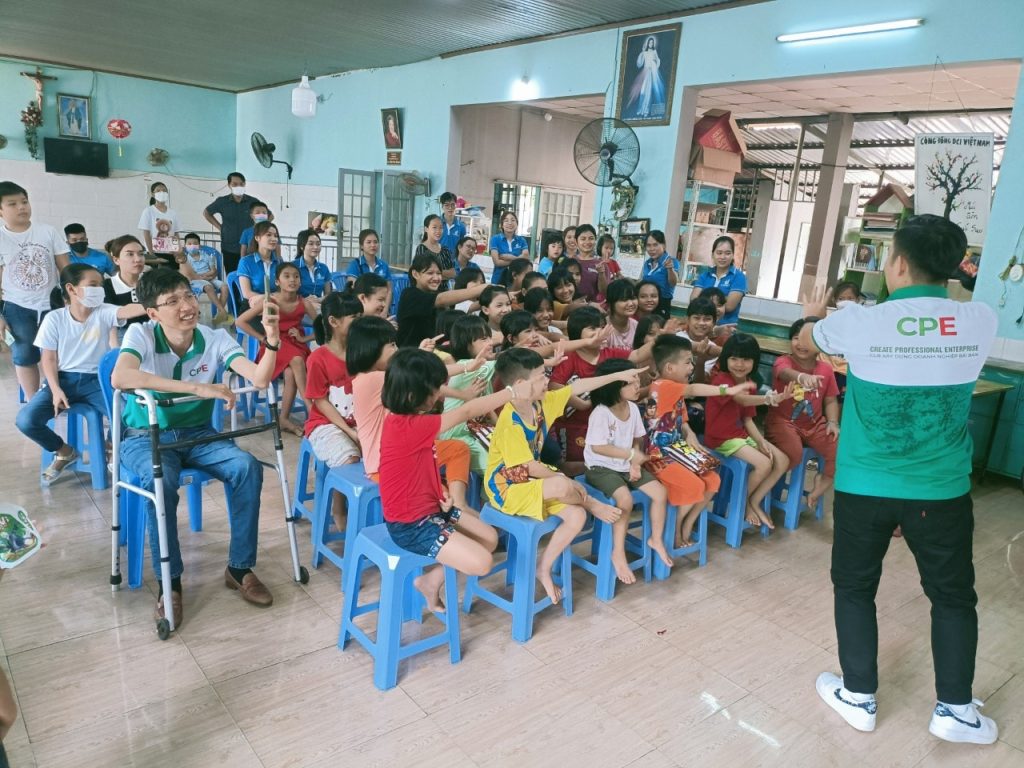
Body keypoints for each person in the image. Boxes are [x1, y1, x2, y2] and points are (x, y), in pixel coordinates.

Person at [799, 214, 999, 743]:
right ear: (954, 266)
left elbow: (808, 337)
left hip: (864, 487)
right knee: (953, 597)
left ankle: (859, 696)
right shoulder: (980, 319)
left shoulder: (860, 321)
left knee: (855, 587)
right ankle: (955, 710)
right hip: (942, 490)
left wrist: (817, 313)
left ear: (900, 264)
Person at [111, 268, 283, 625]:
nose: (187, 306)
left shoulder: (214, 337)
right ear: (153, 312)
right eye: (173, 301)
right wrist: (198, 388)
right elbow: (121, 376)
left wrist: (271, 341)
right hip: (145, 437)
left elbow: (259, 378)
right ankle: (170, 582)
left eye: (189, 295)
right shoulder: (141, 334)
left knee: (246, 468)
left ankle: (239, 568)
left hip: (198, 435)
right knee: (161, 480)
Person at [379, 348, 532, 611]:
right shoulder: (408, 426)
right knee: (483, 562)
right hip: (411, 526)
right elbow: (466, 411)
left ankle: (430, 581)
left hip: (432, 508)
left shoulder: (410, 421)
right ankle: (429, 582)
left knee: (490, 538)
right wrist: (512, 392)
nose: (439, 394)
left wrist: (439, 489)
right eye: (434, 390)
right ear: (413, 395)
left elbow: (413, 469)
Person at [486, 347, 640, 603]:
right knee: (563, 485)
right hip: (507, 486)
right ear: (521, 384)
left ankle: (543, 568)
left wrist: (616, 376)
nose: (547, 380)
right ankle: (593, 505)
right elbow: (529, 467)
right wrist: (567, 483)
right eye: (541, 376)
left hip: (532, 480)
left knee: (576, 516)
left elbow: (579, 386)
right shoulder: (510, 421)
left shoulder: (541, 403)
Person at [16, 264, 145, 484]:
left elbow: (127, 310)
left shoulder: (104, 311)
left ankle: (111, 446)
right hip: (63, 380)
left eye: (101, 285)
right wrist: (56, 390)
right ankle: (64, 451)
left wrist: (160, 302)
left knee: (127, 414)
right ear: (71, 288)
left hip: (97, 382)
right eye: (93, 284)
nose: (99, 290)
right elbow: (48, 359)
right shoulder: (55, 318)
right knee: (26, 420)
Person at [349, 316, 485, 515]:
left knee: (457, 449)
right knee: (439, 497)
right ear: (371, 347)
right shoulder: (371, 379)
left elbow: (422, 380)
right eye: (391, 345)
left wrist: (420, 355)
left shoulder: (378, 378)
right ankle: (457, 511)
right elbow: (422, 377)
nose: (396, 349)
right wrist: (467, 367)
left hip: (406, 452)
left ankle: (459, 503)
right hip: (385, 465)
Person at [642, 335, 750, 547]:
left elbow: (681, 420)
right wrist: (726, 390)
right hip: (658, 457)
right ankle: (676, 528)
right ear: (670, 367)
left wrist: (690, 433)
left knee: (713, 479)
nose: (692, 367)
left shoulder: (674, 387)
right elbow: (693, 390)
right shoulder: (663, 385)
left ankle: (687, 524)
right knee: (693, 485)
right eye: (688, 362)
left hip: (676, 450)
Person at [585, 357, 671, 581]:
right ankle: (618, 552)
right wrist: (631, 456)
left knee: (660, 493)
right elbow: (598, 447)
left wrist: (634, 464)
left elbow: (637, 440)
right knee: (625, 500)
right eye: (631, 383)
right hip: (600, 467)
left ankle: (656, 539)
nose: (637, 387)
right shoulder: (601, 413)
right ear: (615, 386)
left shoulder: (632, 408)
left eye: (637, 381)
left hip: (625, 465)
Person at [549, 306, 655, 475]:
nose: (600, 332)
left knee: (608, 461)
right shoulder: (570, 357)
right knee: (574, 465)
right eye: (592, 328)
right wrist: (581, 404)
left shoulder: (610, 353)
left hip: (608, 425)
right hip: (575, 425)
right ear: (576, 332)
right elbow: (554, 386)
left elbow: (637, 355)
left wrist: (661, 338)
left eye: (602, 326)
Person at [703, 334, 793, 529]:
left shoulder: (749, 382)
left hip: (739, 436)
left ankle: (754, 500)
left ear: (754, 361)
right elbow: (741, 400)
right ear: (726, 359)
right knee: (764, 463)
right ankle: (742, 504)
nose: (739, 364)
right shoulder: (721, 380)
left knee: (782, 460)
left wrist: (760, 441)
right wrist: (769, 399)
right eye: (734, 358)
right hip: (719, 438)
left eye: (746, 359)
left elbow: (747, 419)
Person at [0, 181, 71, 398]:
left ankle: (59, 394)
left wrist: (71, 300)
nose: (21, 207)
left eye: (24, 201)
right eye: (12, 204)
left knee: (60, 354)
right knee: (24, 356)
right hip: (17, 307)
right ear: (0, 210)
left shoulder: (47, 232)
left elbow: (66, 270)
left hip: (52, 304)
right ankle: (33, 402)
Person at [763, 317, 839, 511]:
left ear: (820, 344)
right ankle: (764, 484)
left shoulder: (826, 370)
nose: (801, 343)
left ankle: (822, 482)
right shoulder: (783, 361)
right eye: (797, 338)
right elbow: (784, 373)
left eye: (808, 339)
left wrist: (832, 422)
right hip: (782, 422)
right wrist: (802, 377)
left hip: (814, 425)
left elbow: (831, 400)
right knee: (794, 453)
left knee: (840, 448)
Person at [235, 262, 316, 436]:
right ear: (277, 282)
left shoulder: (305, 303)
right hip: (274, 345)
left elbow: (323, 329)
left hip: (296, 344)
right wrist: (262, 338)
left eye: (296, 276)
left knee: (291, 372)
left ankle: (284, 418)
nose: (292, 280)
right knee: (297, 360)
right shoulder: (270, 301)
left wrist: (304, 338)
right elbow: (240, 321)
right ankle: (313, 411)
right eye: (287, 276)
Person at [304, 292, 364, 528]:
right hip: (326, 423)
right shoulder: (318, 358)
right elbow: (320, 402)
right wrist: (350, 432)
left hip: (358, 420)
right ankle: (339, 508)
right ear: (333, 321)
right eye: (354, 317)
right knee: (350, 458)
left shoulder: (361, 351)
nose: (360, 322)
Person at [439, 315, 498, 474]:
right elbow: (512, 359)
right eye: (484, 339)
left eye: (490, 337)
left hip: (476, 431)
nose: (490, 343)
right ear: (467, 344)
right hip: (457, 436)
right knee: (497, 468)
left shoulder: (481, 368)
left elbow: (487, 408)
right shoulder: (470, 367)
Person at [396, 252, 487, 347]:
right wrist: (480, 289)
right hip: (411, 352)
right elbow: (441, 300)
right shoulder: (410, 295)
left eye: (439, 273)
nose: (436, 278)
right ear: (415, 274)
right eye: (430, 273)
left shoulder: (438, 295)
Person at [203, 172, 258, 274]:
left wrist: (257, 229)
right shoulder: (222, 201)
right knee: (232, 276)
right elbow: (207, 213)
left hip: (250, 249)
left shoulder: (253, 202)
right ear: (229, 185)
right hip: (229, 248)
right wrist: (220, 227)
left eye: (241, 184)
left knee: (249, 277)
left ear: (245, 184)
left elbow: (269, 216)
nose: (238, 186)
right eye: (235, 184)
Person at [690, 235, 747, 325]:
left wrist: (704, 299)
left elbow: (729, 306)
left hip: (725, 326)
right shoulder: (705, 275)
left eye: (727, 253)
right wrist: (723, 299)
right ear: (713, 255)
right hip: (703, 325)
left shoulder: (739, 277)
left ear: (733, 255)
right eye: (719, 253)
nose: (723, 257)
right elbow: (694, 301)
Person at [180, 232, 233, 326]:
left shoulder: (206, 256)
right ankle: (223, 311)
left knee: (225, 286)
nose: (192, 246)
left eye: (195, 243)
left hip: (209, 278)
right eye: (189, 244)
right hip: (195, 281)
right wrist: (203, 277)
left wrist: (205, 276)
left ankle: (218, 314)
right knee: (208, 287)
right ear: (185, 246)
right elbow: (190, 275)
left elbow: (213, 270)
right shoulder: (185, 259)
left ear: (199, 245)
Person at [237, 221, 282, 311]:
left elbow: (282, 290)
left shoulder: (279, 262)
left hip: (275, 305)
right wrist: (268, 298)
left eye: (275, 236)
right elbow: (247, 293)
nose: (274, 239)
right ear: (257, 238)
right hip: (252, 306)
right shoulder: (246, 262)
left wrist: (271, 299)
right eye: (268, 235)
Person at [345, 229, 393, 309]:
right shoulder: (355, 265)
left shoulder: (384, 265)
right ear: (361, 246)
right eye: (369, 242)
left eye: (375, 242)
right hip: (361, 308)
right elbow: (353, 290)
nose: (373, 245)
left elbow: (389, 291)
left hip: (381, 308)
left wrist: (385, 310)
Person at [678, 297, 721, 384]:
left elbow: (698, 382)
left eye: (707, 319)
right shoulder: (678, 336)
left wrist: (701, 361)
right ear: (688, 320)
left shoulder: (714, 347)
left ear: (714, 323)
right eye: (697, 318)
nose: (701, 323)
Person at [137, 182, 180, 269]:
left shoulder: (173, 213)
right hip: (154, 252)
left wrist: (177, 252)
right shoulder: (148, 211)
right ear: (153, 194)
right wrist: (152, 254)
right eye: (158, 190)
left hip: (170, 252)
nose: (162, 192)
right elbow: (146, 234)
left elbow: (176, 234)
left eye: (164, 190)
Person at [625, 35, 666, 120]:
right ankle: (641, 109)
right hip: (644, 73)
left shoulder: (654, 52)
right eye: (650, 42)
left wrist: (654, 66)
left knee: (648, 92)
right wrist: (642, 53)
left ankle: (646, 110)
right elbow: (639, 63)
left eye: (652, 43)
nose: (651, 44)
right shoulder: (644, 52)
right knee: (642, 91)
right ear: (647, 43)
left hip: (650, 73)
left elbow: (658, 60)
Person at [639, 230, 678, 317]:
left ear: (663, 245)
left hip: (662, 304)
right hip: (646, 304)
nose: (651, 249)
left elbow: (673, 283)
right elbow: (641, 281)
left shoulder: (671, 261)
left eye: (655, 245)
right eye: (648, 245)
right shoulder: (647, 263)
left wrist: (670, 269)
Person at [488, 211, 529, 286]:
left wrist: (510, 257)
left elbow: (526, 257)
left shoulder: (521, 240)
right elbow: (497, 262)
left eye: (513, 220)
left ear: (517, 224)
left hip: (517, 281)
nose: (510, 223)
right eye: (506, 221)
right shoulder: (495, 239)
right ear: (502, 225)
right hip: (498, 280)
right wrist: (517, 260)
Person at [293, 228, 332, 299]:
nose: (315, 247)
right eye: (311, 244)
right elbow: (288, 295)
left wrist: (318, 300)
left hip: (319, 304)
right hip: (298, 304)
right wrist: (305, 301)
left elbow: (328, 295)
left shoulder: (323, 268)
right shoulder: (293, 267)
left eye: (318, 244)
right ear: (302, 246)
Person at [605, 279, 639, 350]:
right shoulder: (602, 327)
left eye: (633, 298)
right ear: (611, 303)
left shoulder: (636, 326)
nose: (631, 304)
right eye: (624, 299)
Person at [573, 224, 603, 301]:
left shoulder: (601, 264)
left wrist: (601, 273)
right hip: (570, 305)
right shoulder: (569, 261)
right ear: (576, 241)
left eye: (591, 238)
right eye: (583, 239)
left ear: (595, 240)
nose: (587, 242)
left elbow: (604, 291)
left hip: (592, 306)